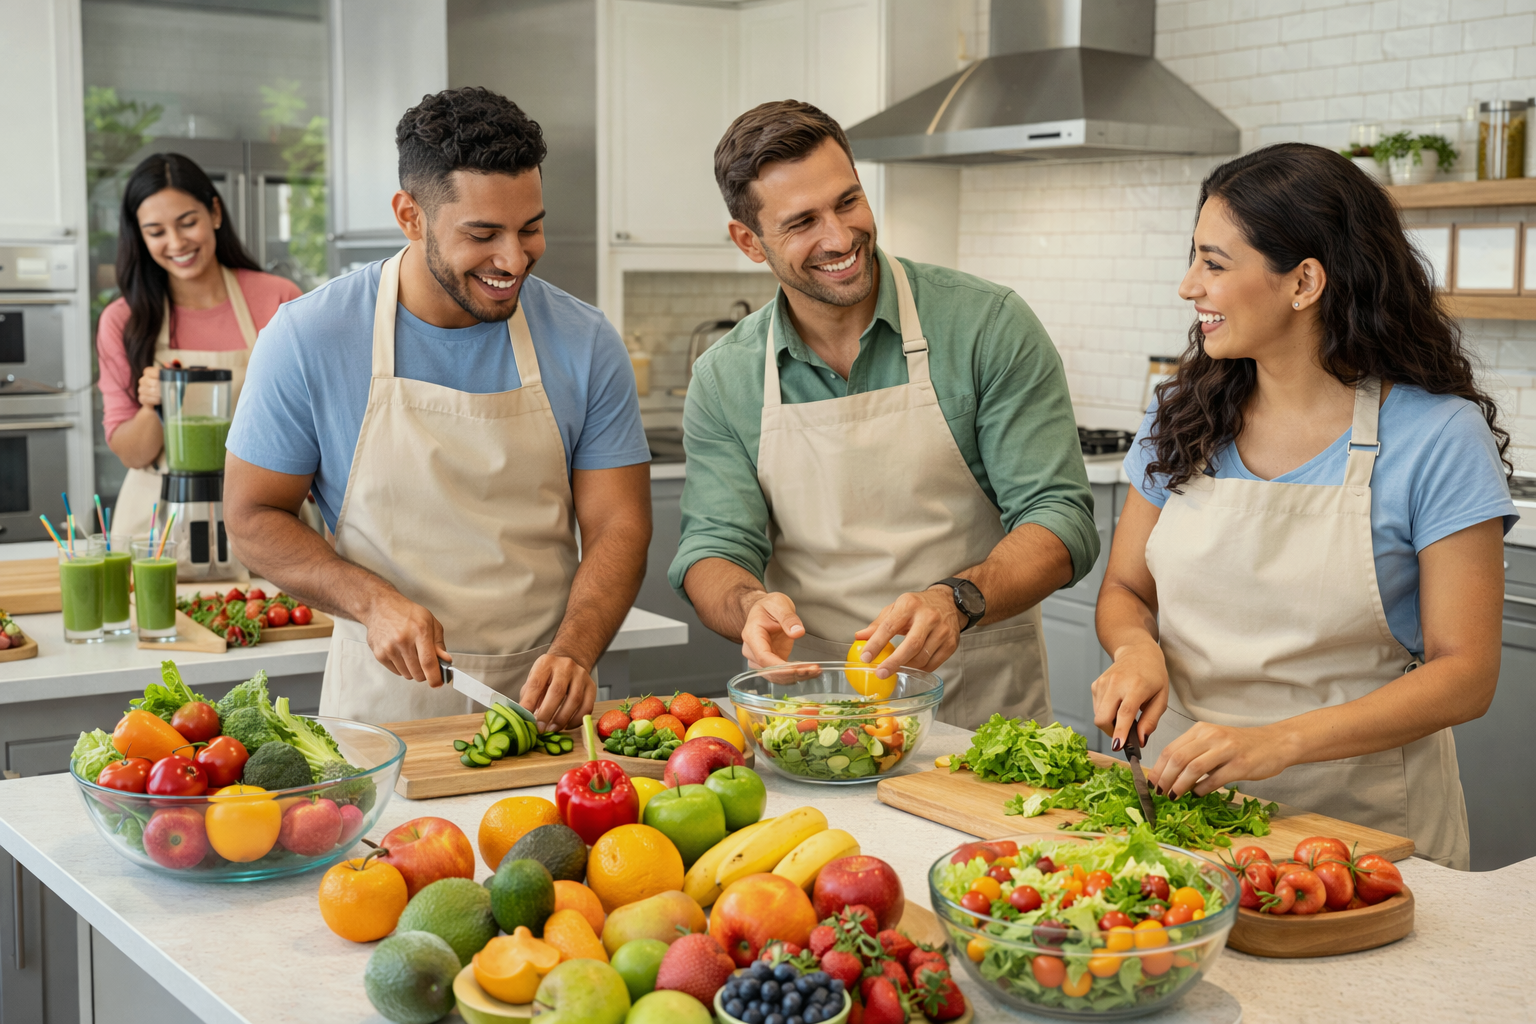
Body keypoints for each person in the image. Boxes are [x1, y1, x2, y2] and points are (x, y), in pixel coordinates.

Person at [1093, 143, 1518, 870]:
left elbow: (1466, 673)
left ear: (1305, 282)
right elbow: (1127, 589)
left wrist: (1279, 740)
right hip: (1181, 804)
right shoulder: (1181, 418)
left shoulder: (1437, 437)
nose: (1188, 286)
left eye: (1214, 263)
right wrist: (1137, 649)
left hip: (1360, 828)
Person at [224, 87, 651, 729]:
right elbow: (254, 517)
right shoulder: (308, 337)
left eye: (530, 228)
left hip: (547, 700)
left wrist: (576, 651)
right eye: (483, 234)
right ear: (411, 215)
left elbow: (619, 525)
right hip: (385, 710)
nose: (513, 259)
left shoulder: (586, 341)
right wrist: (370, 602)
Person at [670, 101, 1098, 729]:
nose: (840, 238)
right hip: (815, 712)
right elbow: (714, 545)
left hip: (980, 705)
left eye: (849, 202)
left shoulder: (986, 325)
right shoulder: (724, 376)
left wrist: (958, 599)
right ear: (749, 242)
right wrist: (748, 604)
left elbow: (1061, 519)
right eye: (802, 222)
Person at [99, 153, 302, 537]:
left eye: (187, 223)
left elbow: (314, 420)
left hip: (266, 519)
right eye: (156, 232)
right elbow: (133, 453)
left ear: (214, 213)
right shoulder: (123, 320)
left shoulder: (278, 299)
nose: (176, 243)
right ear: (139, 236)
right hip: (156, 529)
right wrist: (154, 407)